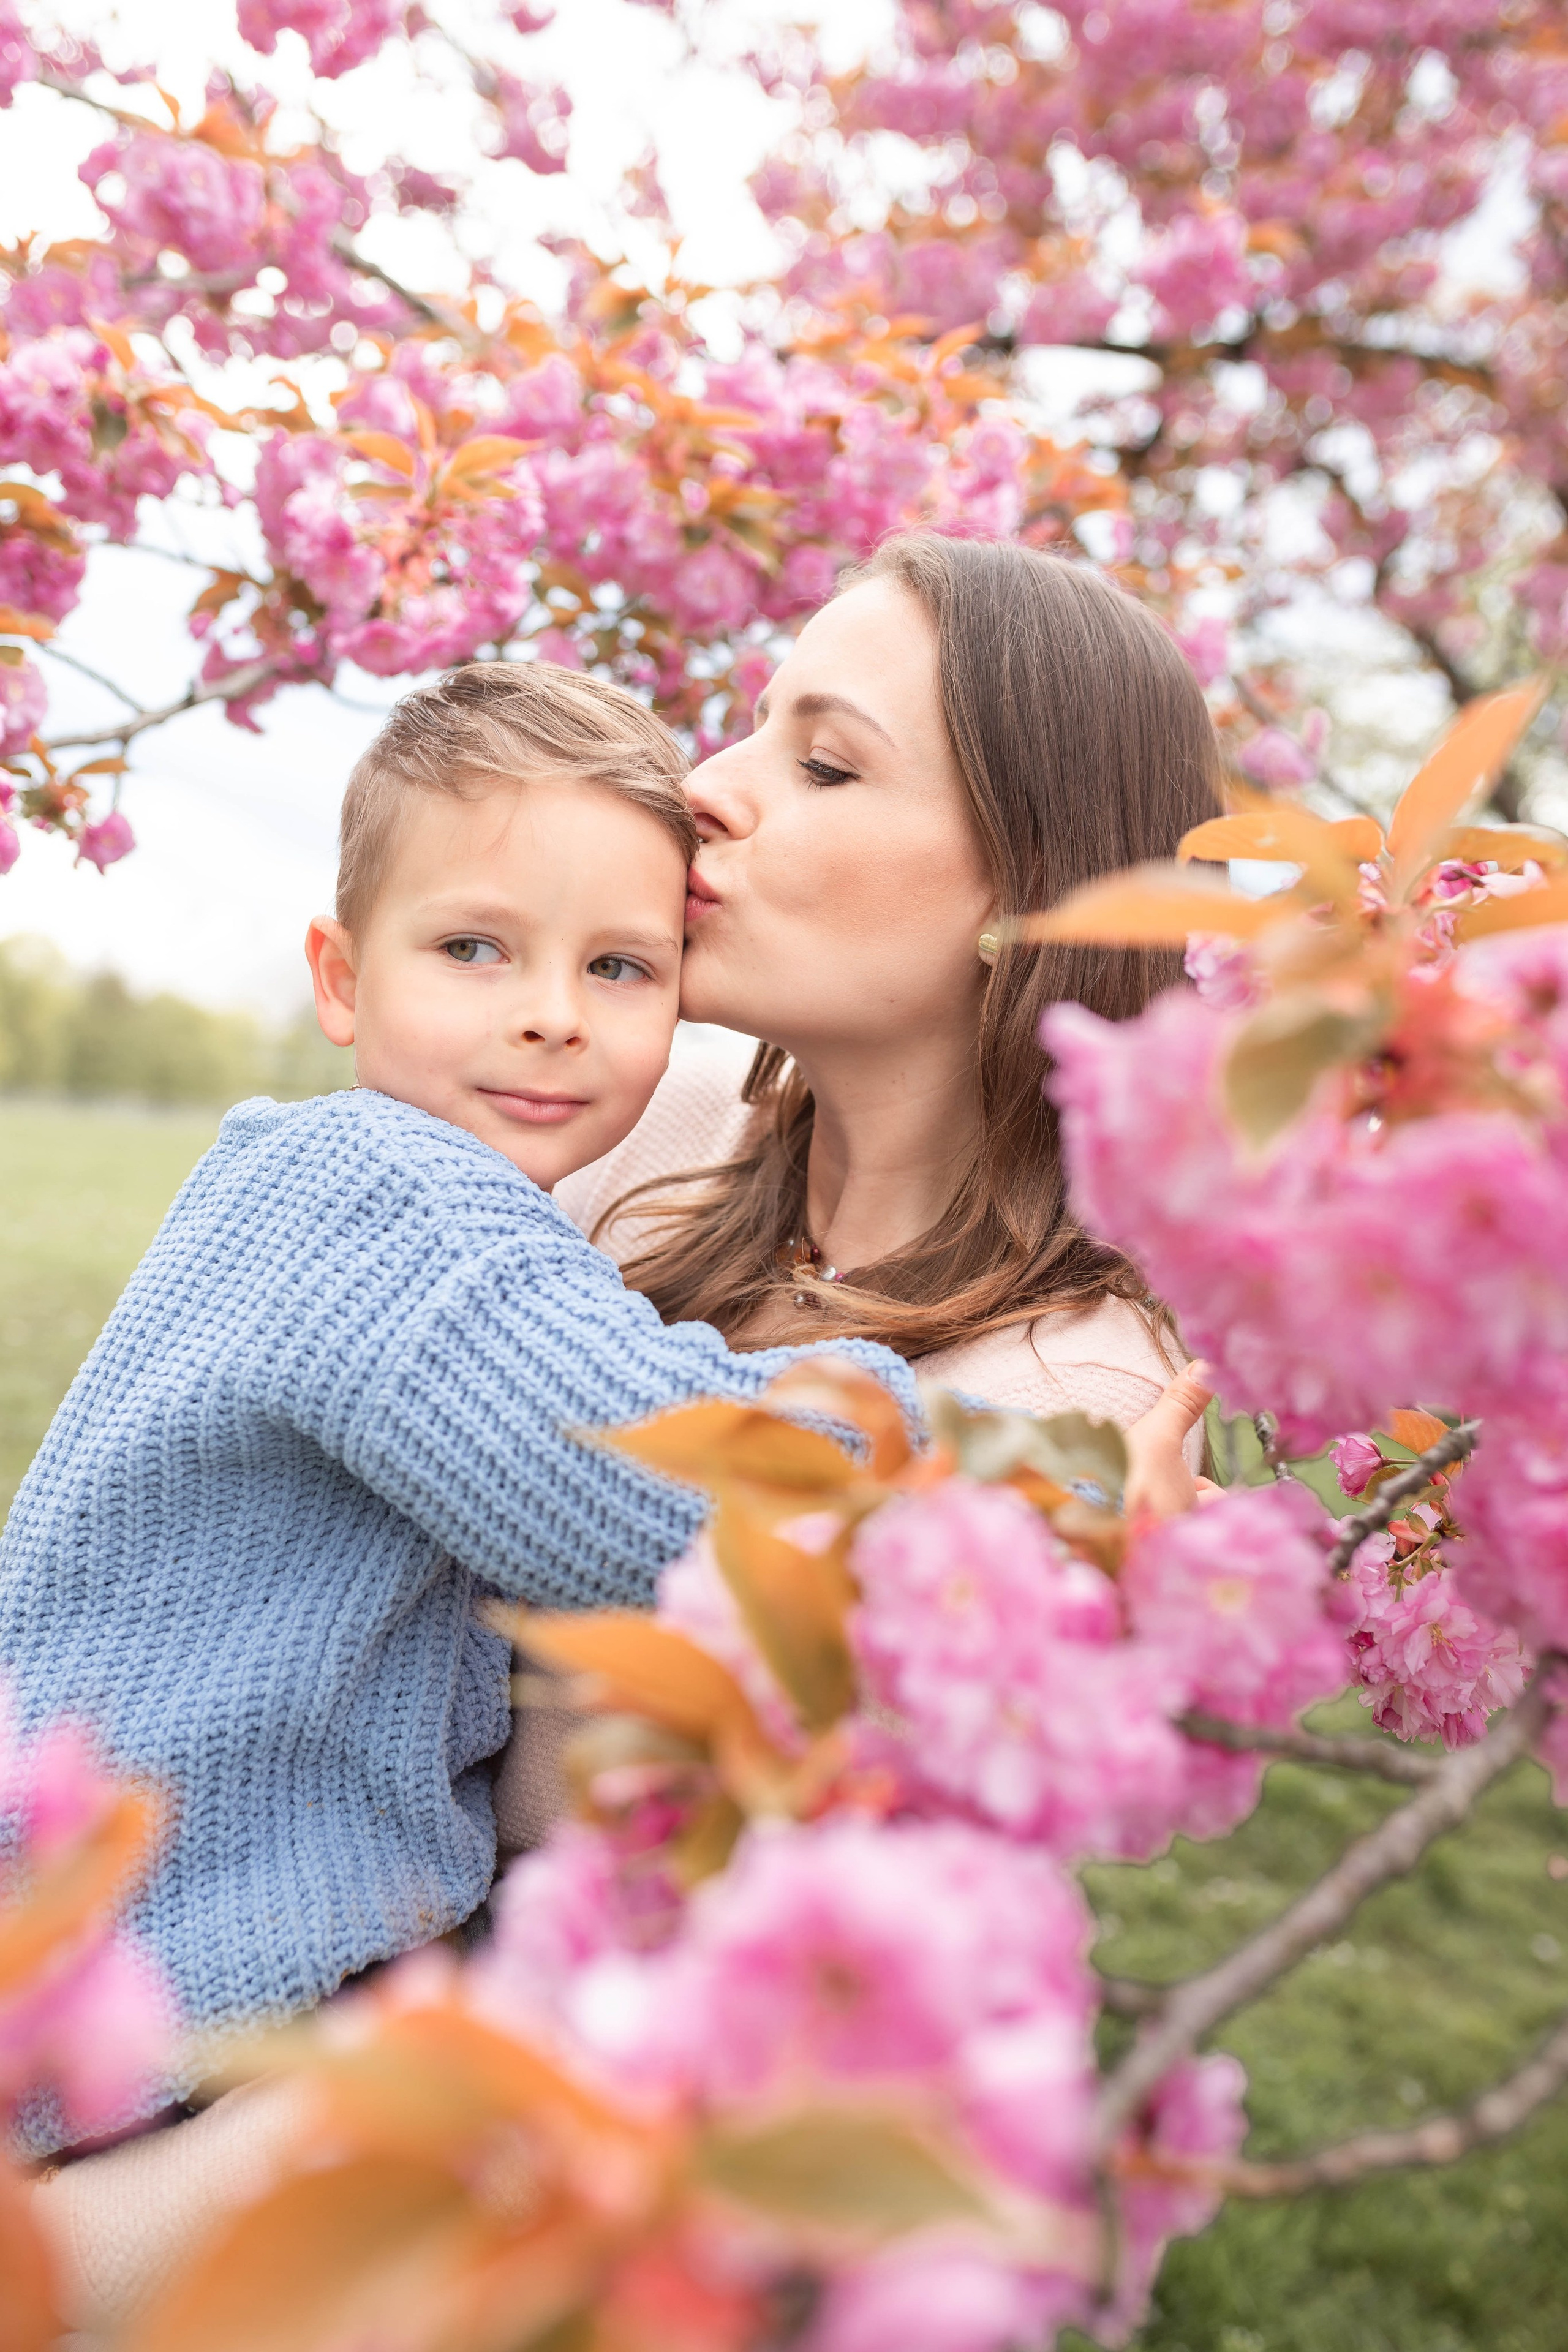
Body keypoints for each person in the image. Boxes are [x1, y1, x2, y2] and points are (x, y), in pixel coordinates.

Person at [2, 659, 921, 2159]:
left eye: (618, 969)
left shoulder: (412, 1197)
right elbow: (649, 1498)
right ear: (343, 977)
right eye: (475, 948)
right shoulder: (375, 1195)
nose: (551, 1018)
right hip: (173, 1977)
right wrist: (909, 1412)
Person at [496, 531, 1221, 1844]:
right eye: (752, 727)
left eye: (823, 763)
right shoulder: (641, 1119)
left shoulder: (1064, 1419)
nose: (705, 787)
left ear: (1030, 899)